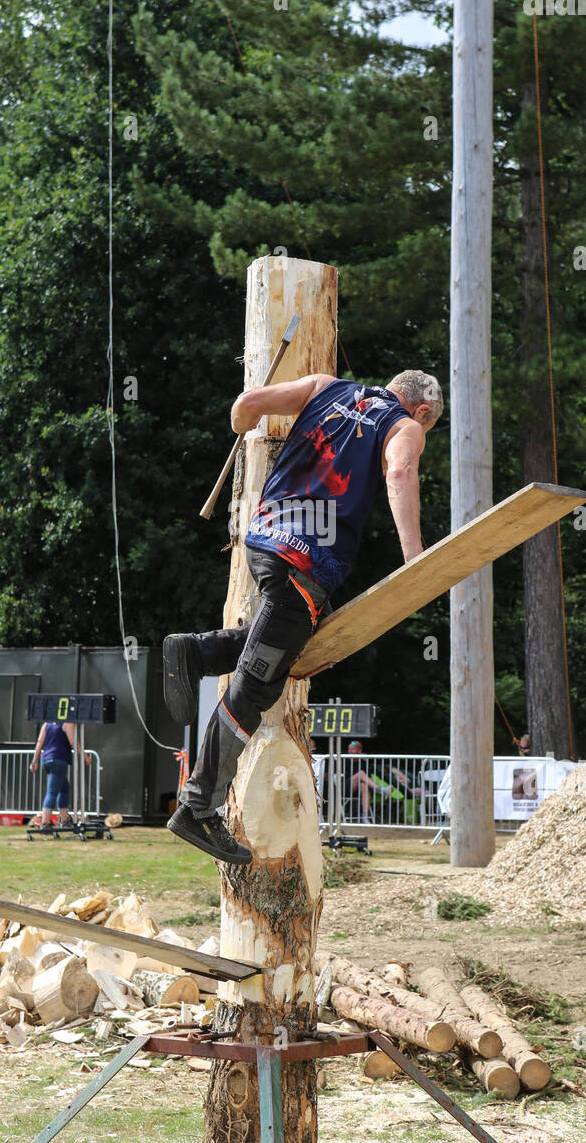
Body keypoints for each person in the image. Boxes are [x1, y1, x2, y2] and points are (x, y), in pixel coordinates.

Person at [163, 368, 443, 863]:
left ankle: (196, 651)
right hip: (305, 564)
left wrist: (239, 426)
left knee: (305, 642)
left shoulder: (324, 386)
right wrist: (415, 561)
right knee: (256, 685)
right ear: (422, 410)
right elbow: (399, 473)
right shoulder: (406, 427)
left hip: (264, 540)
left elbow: (247, 404)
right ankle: (198, 805)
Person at [29, 720, 92, 831]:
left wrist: (35, 761)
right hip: (59, 759)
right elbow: (73, 742)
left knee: (64, 789)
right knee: (52, 791)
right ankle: (45, 823)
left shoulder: (46, 724)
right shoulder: (67, 723)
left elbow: (39, 742)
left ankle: (64, 820)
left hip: (47, 760)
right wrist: (85, 757)